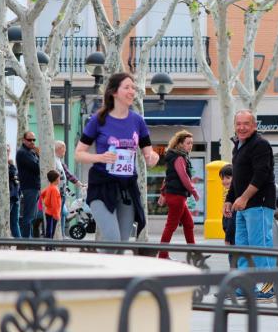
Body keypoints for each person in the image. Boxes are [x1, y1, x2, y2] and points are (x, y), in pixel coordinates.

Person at [74, 73, 159, 247]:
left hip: (126, 188)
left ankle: (102, 272)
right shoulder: (98, 120)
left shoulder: (138, 121)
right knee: (113, 239)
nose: (131, 92)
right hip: (101, 186)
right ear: (114, 92)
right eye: (127, 87)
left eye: (133, 88)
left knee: (122, 245)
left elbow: (148, 155)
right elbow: (79, 154)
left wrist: (153, 158)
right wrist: (100, 157)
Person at [223, 109, 276, 301]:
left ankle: (268, 287)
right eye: (239, 124)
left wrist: (244, 197)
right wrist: (229, 200)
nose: (242, 127)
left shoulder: (260, 145)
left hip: (259, 203)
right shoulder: (238, 145)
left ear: (254, 126)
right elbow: (237, 177)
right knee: (242, 246)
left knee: (260, 244)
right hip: (242, 206)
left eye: (246, 124)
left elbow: (261, 174)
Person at [157, 130, 199, 259]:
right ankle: (163, 256)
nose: (190, 146)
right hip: (177, 196)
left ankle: (194, 253)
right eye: (188, 143)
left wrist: (163, 193)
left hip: (176, 195)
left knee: (188, 224)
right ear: (180, 144)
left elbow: (168, 178)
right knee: (171, 226)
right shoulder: (179, 157)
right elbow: (184, 177)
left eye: (191, 143)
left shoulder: (176, 156)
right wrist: (194, 191)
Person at [54, 141, 85, 238]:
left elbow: (68, 175)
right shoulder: (53, 160)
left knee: (63, 214)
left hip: (62, 192)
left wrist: (80, 184)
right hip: (56, 192)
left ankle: (62, 234)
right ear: (59, 149)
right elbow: (68, 175)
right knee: (61, 214)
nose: (65, 153)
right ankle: (60, 235)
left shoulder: (59, 161)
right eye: (64, 151)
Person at [16, 131, 41, 238]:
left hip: (34, 187)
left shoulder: (31, 152)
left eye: (34, 140)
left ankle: (29, 240)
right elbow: (37, 168)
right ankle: (26, 241)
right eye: (29, 140)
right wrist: (40, 155)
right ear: (24, 140)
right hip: (29, 187)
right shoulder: (23, 152)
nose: (32, 142)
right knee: (28, 217)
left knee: (33, 216)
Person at [41, 170, 62, 241]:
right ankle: (49, 247)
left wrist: (46, 203)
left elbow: (42, 194)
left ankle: (49, 246)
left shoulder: (50, 187)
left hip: (49, 212)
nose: (60, 179)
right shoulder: (54, 189)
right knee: (50, 232)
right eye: (59, 178)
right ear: (56, 179)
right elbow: (54, 203)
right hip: (53, 214)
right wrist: (56, 215)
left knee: (49, 230)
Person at [7, 144, 21, 238]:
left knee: (15, 222)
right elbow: (12, 175)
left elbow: (16, 176)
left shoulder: (11, 164)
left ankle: (20, 243)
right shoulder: (3, 163)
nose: (7, 153)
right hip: (7, 197)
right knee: (6, 221)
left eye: (8, 151)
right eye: (5, 150)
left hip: (15, 196)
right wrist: (12, 165)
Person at [219, 164, 235, 247]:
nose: (224, 181)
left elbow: (232, 220)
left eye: (228, 178)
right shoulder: (227, 194)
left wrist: (227, 238)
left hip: (233, 236)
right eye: (222, 178)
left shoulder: (233, 197)